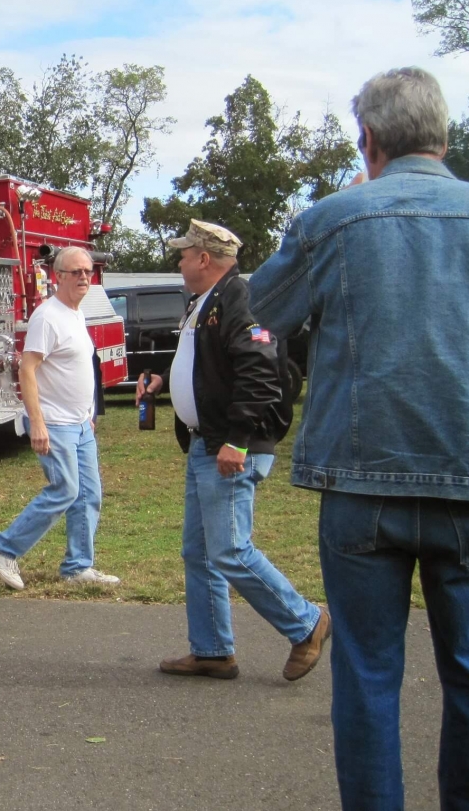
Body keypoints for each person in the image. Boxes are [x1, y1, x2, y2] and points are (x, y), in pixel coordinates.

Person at [250, 66, 469, 810]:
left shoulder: (332, 220)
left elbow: (264, 310)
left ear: (367, 139)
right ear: (445, 135)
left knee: (367, 676)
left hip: (361, 489)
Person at [138, 220, 328, 682]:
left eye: (184, 254)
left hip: (228, 446)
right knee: (199, 553)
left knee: (230, 551)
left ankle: (306, 622)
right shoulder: (206, 302)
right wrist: (168, 381)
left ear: (205, 259)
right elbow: (207, 360)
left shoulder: (238, 300)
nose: (179, 261)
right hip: (207, 444)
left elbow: (260, 373)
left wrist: (237, 440)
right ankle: (212, 651)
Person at [0, 246, 120, 589]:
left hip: (79, 424)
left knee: (89, 494)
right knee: (65, 489)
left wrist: (88, 413)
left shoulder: (76, 313)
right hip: (54, 422)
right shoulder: (48, 316)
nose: (84, 278)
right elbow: (27, 369)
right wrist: (38, 422)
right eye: (75, 272)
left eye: (88, 271)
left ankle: (77, 567)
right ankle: (4, 547)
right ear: (58, 276)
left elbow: (78, 368)